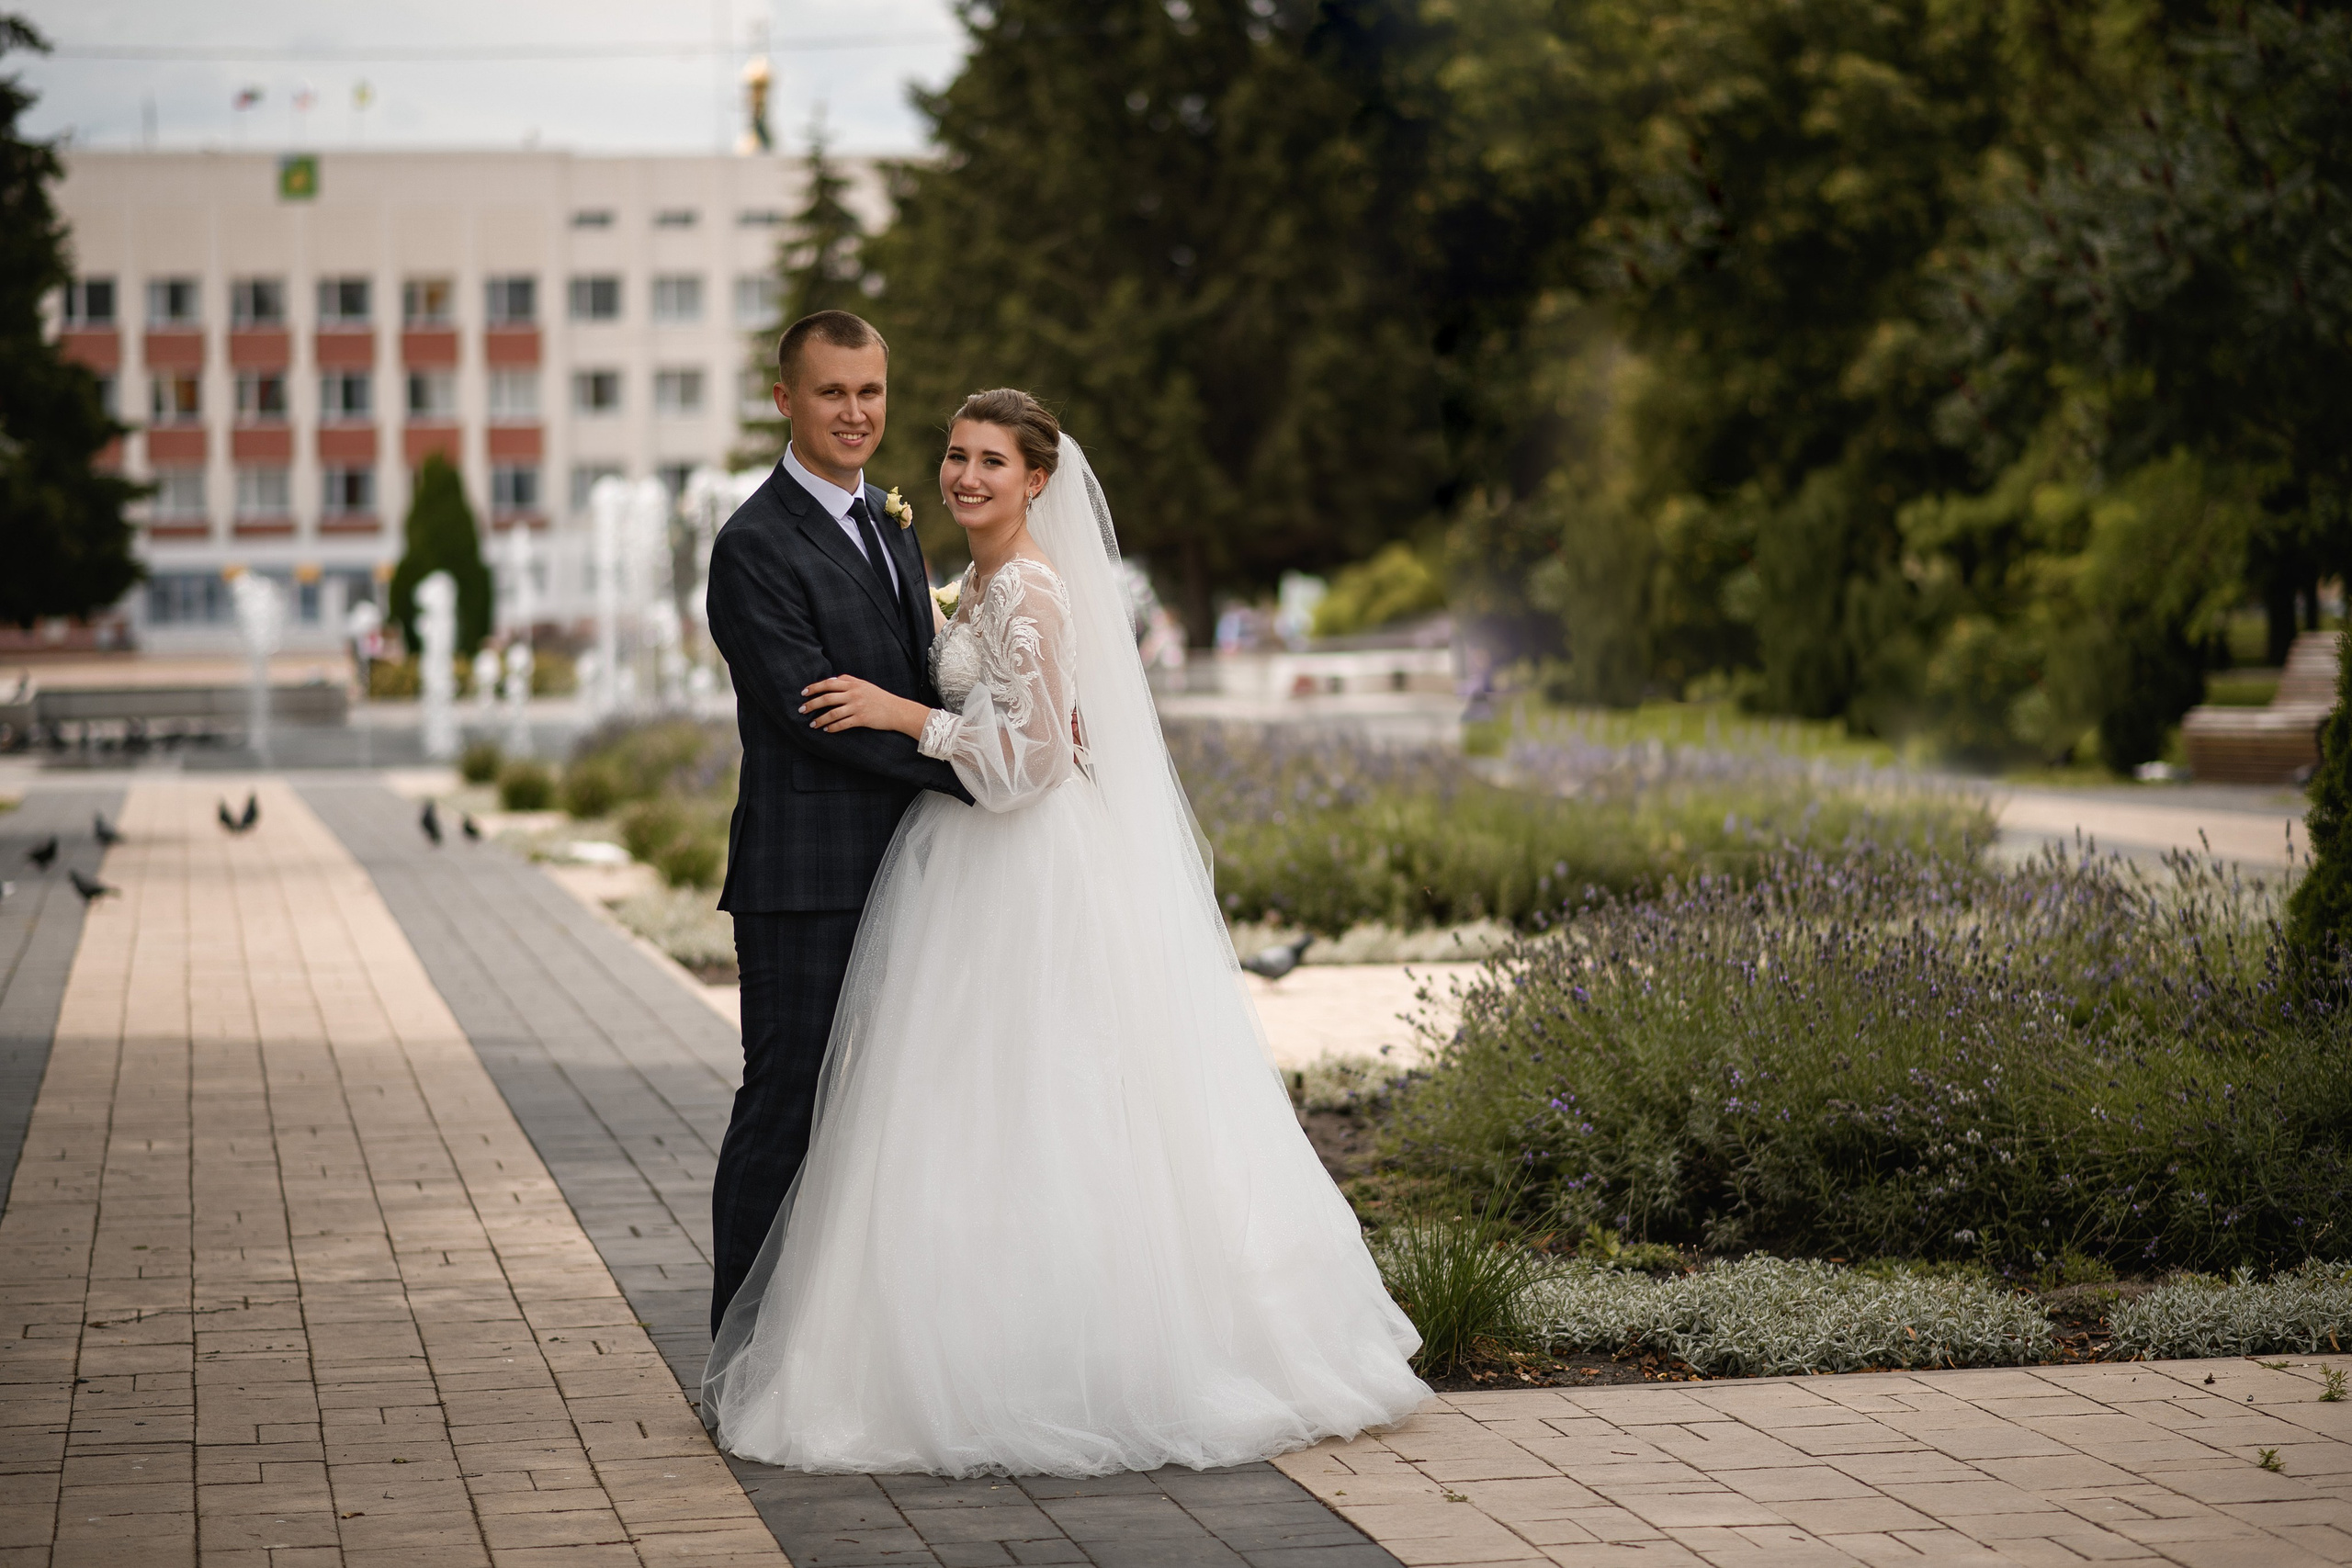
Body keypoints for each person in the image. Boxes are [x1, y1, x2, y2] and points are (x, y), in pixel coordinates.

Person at [699, 389, 1427, 1477]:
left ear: (1038, 480)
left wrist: (908, 716)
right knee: (955, 1110)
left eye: (992, 461)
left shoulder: (1032, 586)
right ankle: (959, 1339)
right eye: (954, 456)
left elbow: (1030, 766)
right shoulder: (976, 578)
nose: (965, 477)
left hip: (1024, 867)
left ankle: (1067, 1361)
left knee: (1045, 1103)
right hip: (961, 865)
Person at [702, 310, 971, 1340]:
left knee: (890, 1115)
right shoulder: (753, 546)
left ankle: (849, 1343)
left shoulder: (893, 524)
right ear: (786, 400)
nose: (855, 413)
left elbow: (912, 677)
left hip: (912, 865)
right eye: (831, 392)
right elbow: (820, 712)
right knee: (785, 1109)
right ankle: (737, 1351)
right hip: (805, 878)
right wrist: (972, 769)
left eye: (869, 392)